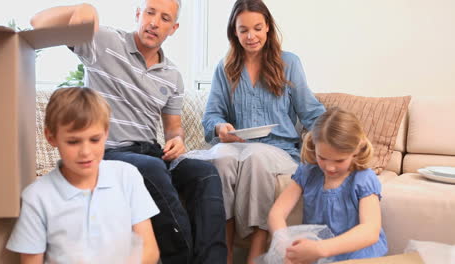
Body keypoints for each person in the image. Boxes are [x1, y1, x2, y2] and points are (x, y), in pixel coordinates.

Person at [30, 1, 227, 263]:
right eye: (149, 12)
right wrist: (83, 8)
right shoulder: (103, 41)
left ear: (173, 28)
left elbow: (173, 129)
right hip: (110, 152)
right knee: (150, 168)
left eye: (165, 18)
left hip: (152, 153)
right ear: (138, 14)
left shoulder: (172, 76)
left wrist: (177, 141)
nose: (154, 22)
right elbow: (37, 22)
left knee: (205, 173)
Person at [201, 0, 325, 262]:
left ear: (268, 27)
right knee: (219, 158)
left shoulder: (289, 63)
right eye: (243, 30)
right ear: (234, 32)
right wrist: (220, 127)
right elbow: (211, 115)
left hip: (278, 151)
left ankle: (255, 255)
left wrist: (334, 141)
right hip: (237, 147)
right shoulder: (225, 68)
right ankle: (225, 253)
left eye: (257, 28)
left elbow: (311, 112)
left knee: (256, 158)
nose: (251, 36)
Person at [6, 87, 160, 264]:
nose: (86, 152)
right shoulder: (36, 197)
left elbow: (149, 250)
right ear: (51, 137)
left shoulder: (127, 176)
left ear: (106, 133)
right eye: (73, 142)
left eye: (94, 140)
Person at [268, 107, 388, 263]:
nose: (330, 167)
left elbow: (370, 231)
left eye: (339, 160)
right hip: (317, 256)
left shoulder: (363, 179)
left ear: (357, 149)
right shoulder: (307, 173)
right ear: (313, 144)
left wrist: (321, 249)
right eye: (322, 157)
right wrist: (283, 244)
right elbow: (276, 213)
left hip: (358, 257)